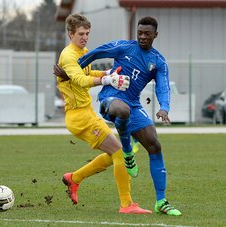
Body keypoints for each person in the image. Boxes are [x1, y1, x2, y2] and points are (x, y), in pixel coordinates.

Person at [57, 16, 181, 216]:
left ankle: (75, 178)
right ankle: (127, 204)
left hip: (97, 110)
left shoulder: (157, 61)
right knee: (120, 154)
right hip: (85, 113)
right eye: (81, 34)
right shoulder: (70, 55)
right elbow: (80, 77)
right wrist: (106, 78)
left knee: (152, 144)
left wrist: (164, 107)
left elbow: (163, 86)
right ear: (70, 34)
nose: (85, 38)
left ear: (155, 35)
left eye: (87, 33)